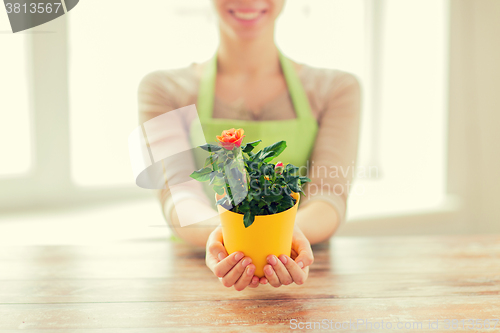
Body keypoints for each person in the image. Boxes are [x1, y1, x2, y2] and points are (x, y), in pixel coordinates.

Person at [138, 0, 361, 291]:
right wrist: (231, 238)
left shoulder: (337, 88)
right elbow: (177, 195)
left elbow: (329, 195)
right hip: (195, 280)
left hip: (304, 274)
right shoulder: (162, 88)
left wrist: (279, 237)